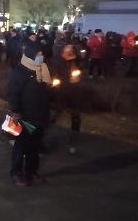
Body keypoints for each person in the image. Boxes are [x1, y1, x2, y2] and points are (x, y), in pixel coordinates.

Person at [7, 40, 51, 186]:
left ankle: (31, 171)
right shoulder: (19, 72)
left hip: (40, 115)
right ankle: (16, 173)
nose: (41, 57)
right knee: (21, 147)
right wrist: (15, 111)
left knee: (35, 147)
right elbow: (13, 93)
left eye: (42, 54)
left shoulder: (42, 69)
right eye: (38, 54)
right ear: (31, 55)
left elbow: (45, 92)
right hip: (24, 116)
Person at [52, 44, 83, 154]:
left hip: (73, 93)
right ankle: (47, 137)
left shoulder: (76, 61)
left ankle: (73, 142)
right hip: (60, 92)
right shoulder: (58, 61)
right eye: (66, 50)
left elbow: (78, 76)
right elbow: (55, 74)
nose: (68, 52)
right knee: (54, 115)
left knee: (75, 117)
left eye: (70, 50)